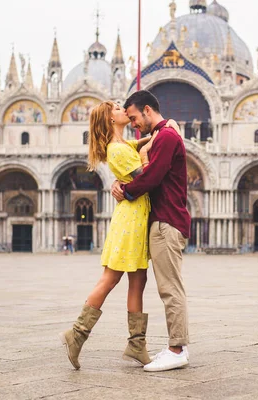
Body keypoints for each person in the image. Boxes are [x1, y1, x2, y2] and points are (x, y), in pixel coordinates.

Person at [59, 100, 180, 370]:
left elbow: (144, 143)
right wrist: (149, 154)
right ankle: (76, 334)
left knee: (138, 281)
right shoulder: (117, 150)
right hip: (130, 221)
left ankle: (137, 344)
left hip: (138, 218)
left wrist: (165, 128)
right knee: (110, 278)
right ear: (110, 120)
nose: (123, 110)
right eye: (116, 109)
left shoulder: (124, 145)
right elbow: (146, 178)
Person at [112, 90, 191, 372]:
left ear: (147, 110)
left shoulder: (167, 137)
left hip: (168, 221)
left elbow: (153, 177)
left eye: (133, 117)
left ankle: (177, 349)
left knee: (170, 289)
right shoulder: (163, 134)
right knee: (167, 287)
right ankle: (175, 346)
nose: (133, 123)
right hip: (164, 219)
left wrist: (124, 190)